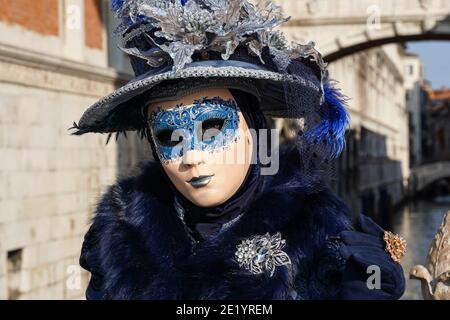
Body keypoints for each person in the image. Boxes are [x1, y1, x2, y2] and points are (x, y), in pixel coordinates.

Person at [73, 0, 406, 300]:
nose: (191, 157)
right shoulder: (121, 237)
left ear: (255, 130)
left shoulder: (320, 243)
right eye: (170, 138)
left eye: (213, 128)